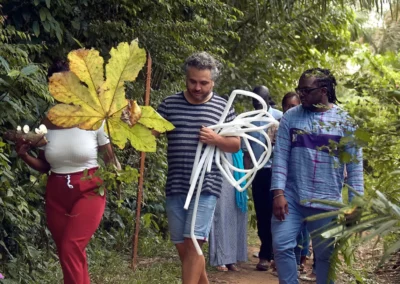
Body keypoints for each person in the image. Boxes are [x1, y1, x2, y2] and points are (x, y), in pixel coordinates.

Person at [15, 60, 118, 284]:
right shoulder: (48, 122)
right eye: (57, 84)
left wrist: (115, 178)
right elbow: (45, 166)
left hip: (89, 188)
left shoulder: (94, 119)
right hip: (57, 192)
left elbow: (111, 160)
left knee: (71, 246)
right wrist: (24, 155)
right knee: (67, 252)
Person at [271, 68, 364, 284]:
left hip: (327, 201)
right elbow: (280, 158)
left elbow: (355, 170)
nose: (300, 94)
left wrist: (355, 206)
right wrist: (278, 193)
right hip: (292, 198)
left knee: (325, 256)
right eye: (299, 89)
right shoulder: (290, 118)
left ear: (323, 91)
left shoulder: (347, 121)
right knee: (282, 245)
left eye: (306, 90)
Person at [156, 52, 240, 284]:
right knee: (184, 248)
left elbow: (235, 145)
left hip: (206, 185)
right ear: (186, 78)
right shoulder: (169, 104)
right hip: (176, 183)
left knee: (194, 242)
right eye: (193, 81)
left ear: (212, 82)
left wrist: (216, 139)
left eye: (203, 82)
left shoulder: (223, 107)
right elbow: (150, 132)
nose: (197, 87)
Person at [243, 85, 282, 271]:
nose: (258, 105)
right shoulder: (248, 119)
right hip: (258, 171)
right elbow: (246, 150)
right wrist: (245, 174)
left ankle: (272, 253)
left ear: (268, 99)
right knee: (262, 213)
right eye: (254, 102)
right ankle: (265, 252)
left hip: (277, 170)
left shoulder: (279, 116)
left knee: (276, 211)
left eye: (261, 101)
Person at [208, 151, 248, 272]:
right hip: (218, 157)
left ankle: (231, 258)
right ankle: (220, 258)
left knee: (234, 212)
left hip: (234, 158)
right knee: (221, 211)